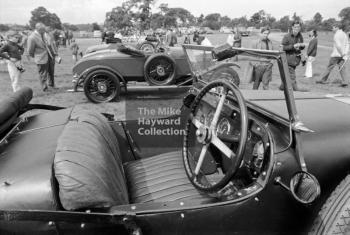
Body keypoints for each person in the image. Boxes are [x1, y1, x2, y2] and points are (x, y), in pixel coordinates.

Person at [316, 22, 349, 87]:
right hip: (342, 55)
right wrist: (345, 53)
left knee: (329, 67)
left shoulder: (336, 35)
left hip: (336, 54)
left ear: (337, 27)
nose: (332, 29)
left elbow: (338, 46)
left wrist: (342, 53)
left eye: (333, 27)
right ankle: (345, 82)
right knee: (342, 68)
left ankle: (323, 80)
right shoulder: (344, 34)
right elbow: (348, 44)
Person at [279, 21, 307, 91]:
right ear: (292, 27)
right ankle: (295, 91)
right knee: (292, 77)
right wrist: (293, 46)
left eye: (298, 27)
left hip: (295, 61)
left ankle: (282, 88)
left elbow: (301, 47)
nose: (297, 28)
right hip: (287, 61)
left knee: (287, 77)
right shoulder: (287, 36)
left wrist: (302, 46)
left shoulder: (300, 36)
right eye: (295, 27)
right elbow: (282, 48)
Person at [27, 22, 53, 91]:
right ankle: (44, 88)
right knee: (42, 73)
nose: (44, 31)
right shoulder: (32, 37)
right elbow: (30, 50)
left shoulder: (43, 34)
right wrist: (36, 56)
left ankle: (50, 85)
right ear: (38, 29)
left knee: (49, 72)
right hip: (40, 58)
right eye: (43, 30)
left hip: (48, 56)